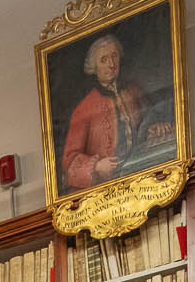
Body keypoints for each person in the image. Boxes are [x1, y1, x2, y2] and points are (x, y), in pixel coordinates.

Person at [59, 30, 176, 191]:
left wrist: (154, 129)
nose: (111, 64)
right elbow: (68, 164)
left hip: (142, 177)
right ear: (94, 67)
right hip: (108, 190)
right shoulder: (84, 109)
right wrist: (97, 166)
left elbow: (148, 124)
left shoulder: (134, 91)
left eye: (114, 56)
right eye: (103, 60)